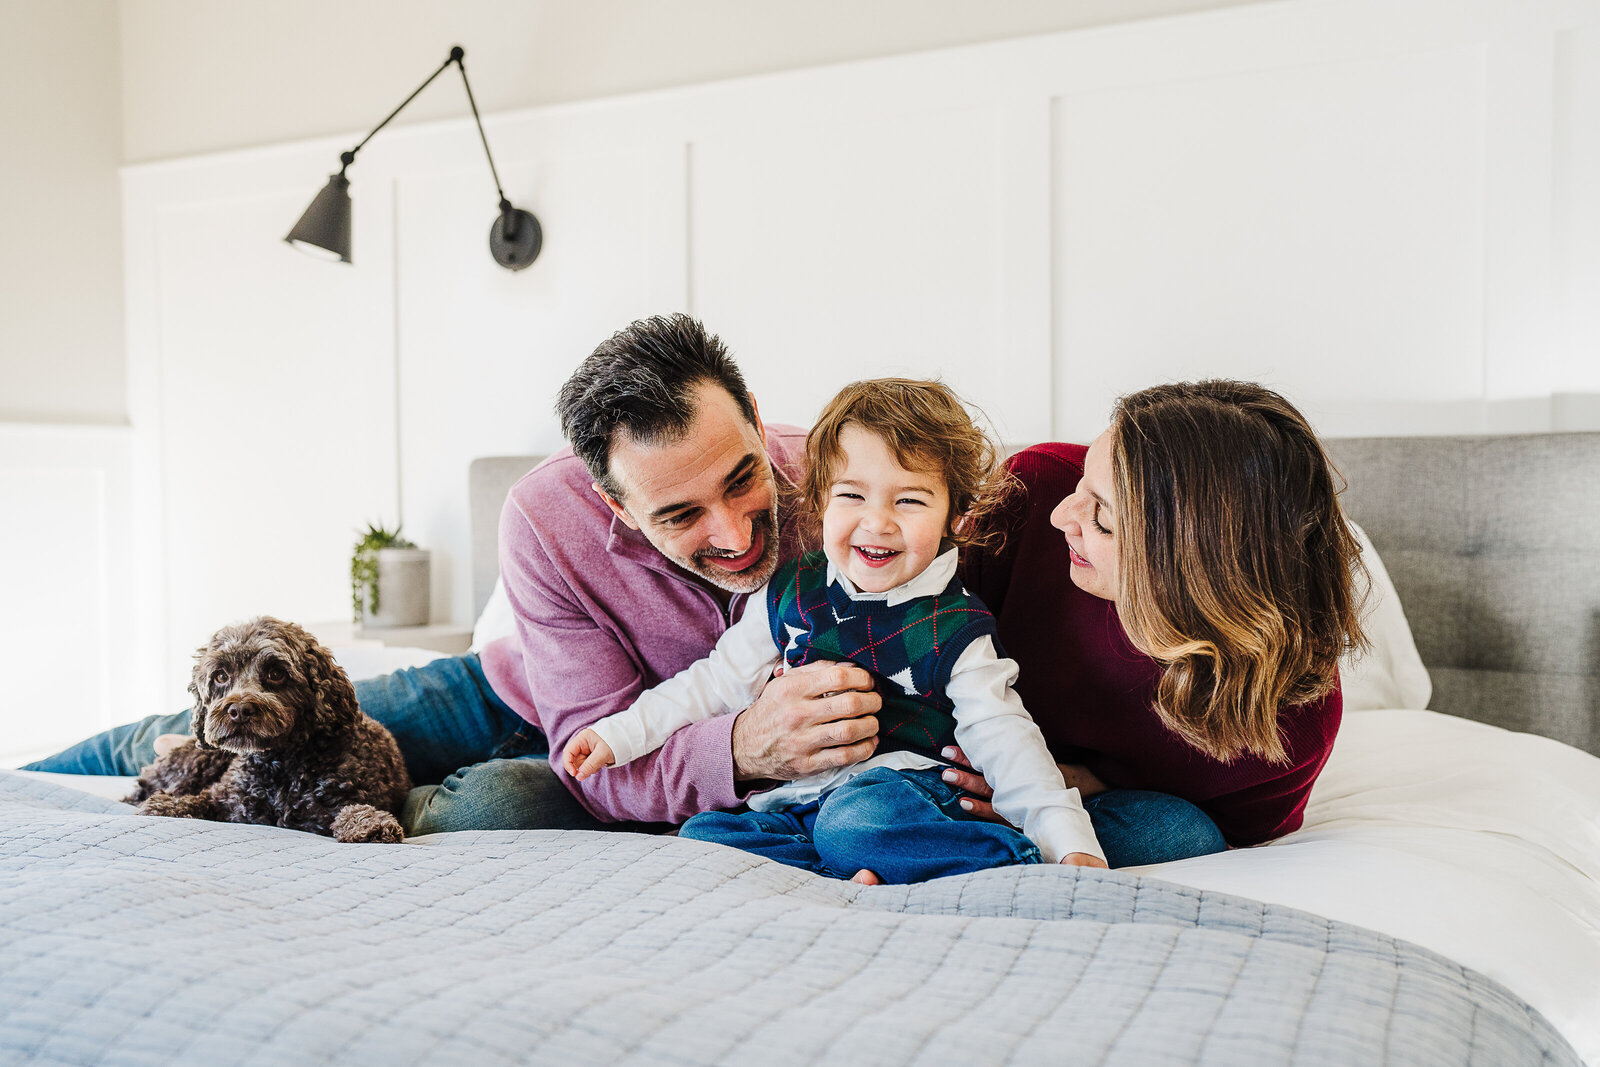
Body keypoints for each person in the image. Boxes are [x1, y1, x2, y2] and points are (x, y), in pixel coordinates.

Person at [26, 315, 884, 836]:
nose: (735, 534)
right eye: (678, 515)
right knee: (226, 723)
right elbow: (596, 735)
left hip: (628, 741)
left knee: (496, 814)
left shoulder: (856, 494)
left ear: (756, 420)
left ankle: (400, 799)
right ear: (615, 506)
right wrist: (738, 746)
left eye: (742, 478)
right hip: (501, 694)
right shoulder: (545, 514)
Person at [562, 379, 1106, 883]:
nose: (877, 522)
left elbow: (1009, 741)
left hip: (902, 790)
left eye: (909, 500)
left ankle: (1014, 863)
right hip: (802, 799)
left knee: (857, 825)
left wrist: (1067, 845)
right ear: (819, 499)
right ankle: (839, 876)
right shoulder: (790, 591)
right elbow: (715, 681)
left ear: (956, 516)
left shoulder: (955, 629)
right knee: (704, 838)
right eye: (852, 495)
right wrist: (619, 734)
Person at [947, 380, 1369, 867]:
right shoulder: (1036, 490)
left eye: (1102, 515)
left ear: (1190, 563)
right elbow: (895, 615)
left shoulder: (1292, 726)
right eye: (1080, 484)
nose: (1064, 514)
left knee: (1183, 833)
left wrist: (1088, 784)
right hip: (956, 744)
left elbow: (1230, 833)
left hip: (1092, 802)